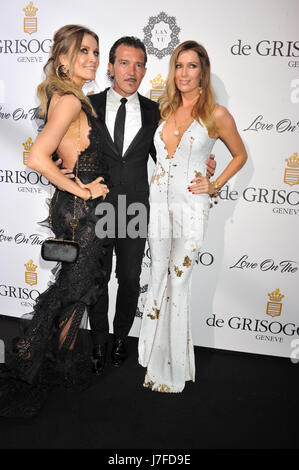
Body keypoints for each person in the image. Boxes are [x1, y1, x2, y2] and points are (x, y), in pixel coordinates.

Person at [76, 37, 216, 374]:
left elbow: (171, 155)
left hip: (137, 207)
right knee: (97, 279)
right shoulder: (87, 105)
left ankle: (121, 337)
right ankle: (97, 341)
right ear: (110, 67)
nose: (131, 70)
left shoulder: (157, 112)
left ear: (144, 70)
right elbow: (66, 148)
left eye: (139, 64)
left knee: (129, 278)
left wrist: (203, 167)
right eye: (124, 63)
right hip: (98, 208)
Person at [0, 24, 109, 418]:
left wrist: (72, 176)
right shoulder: (70, 102)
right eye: (83, 51)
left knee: (78, 288)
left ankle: (59, 360)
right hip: (81, 212)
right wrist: (82, 190)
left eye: (96, 52)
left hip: (74, 209)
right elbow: (36, 157)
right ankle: (25, 364)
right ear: (62, 59)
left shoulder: (67, 97)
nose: (93, 59)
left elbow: (63, 153)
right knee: (68, 291)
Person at [138, 40, 248, 393]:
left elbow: (240, 155)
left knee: (178, 281)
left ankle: (172, 369)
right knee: (157, 276)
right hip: (158, 206)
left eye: (191, 66)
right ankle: (151, 355)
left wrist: (214, 183)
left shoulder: (215, 114)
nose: (184, 73)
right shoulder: (164, 108)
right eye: (179, 66)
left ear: (203, 71)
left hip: (191, 208)